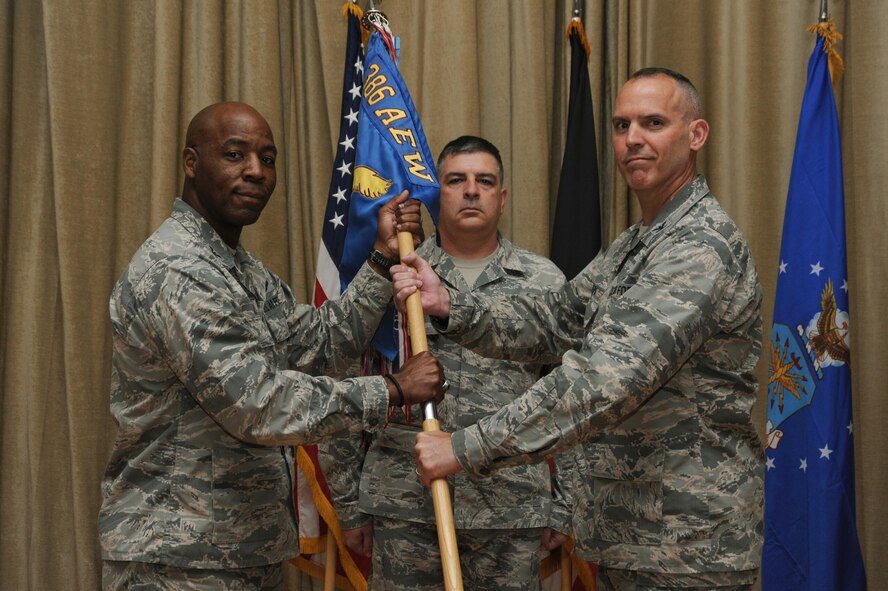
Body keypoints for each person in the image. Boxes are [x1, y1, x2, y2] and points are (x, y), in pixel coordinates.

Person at [396, 69, 764, 590]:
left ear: (696, 135)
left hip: (689, 546)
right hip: (634, 536)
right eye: (622, 124)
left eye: (653, 123)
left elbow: (601, 380)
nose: (633, 138)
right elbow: (558, 319)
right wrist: (452, 307)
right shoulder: (639, 242)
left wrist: (463, 447)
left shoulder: (697, 247)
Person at [98, 101, 445, 590]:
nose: (256, 172)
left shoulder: (236, 268)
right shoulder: (179, 270)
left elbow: (317, 345)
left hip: (241, 548)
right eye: (235, 155)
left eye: (268, 158)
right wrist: (390, 390)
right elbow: (259, 405)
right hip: (179, 559)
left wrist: (384, 259)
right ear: (191, 163)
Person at [319, 135, 571, 590]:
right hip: (405, 507)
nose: (471, 190)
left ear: (502, 196)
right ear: (437, 193)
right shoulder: (392, 270)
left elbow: (572, 395)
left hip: (509, 507)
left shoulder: (545, 281)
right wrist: (347, 503)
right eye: (456, 180)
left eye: (485, 181)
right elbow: (343, 376)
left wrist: (567, 502)